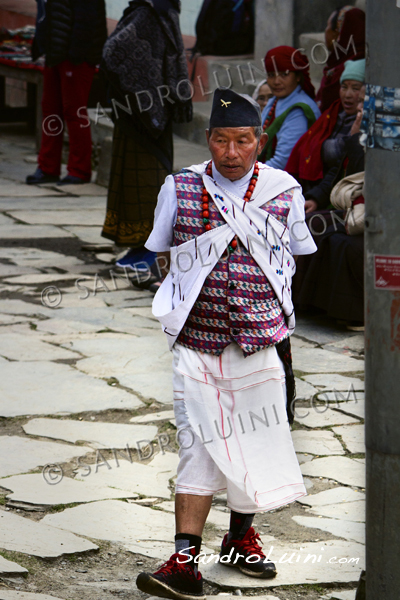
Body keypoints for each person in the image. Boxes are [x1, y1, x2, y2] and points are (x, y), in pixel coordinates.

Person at [136, 88, 317, 600]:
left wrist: (265, 310)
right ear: (208, 141)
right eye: (221, 140)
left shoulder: (282, 190)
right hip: (198, 341)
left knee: (252, 440)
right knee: (197, 443)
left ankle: (239, 540)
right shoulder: (181, 187)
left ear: (260, 142)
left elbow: (294, 257)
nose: (231, 152)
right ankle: (183, 562)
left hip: (261, 342)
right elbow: (163, 253)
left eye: (242, 140)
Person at [100, 0, 192, 272]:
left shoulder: (147, 12)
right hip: (143, 113)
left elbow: (113, 51)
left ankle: (149, 251)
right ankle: (141, 247)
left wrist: (141, 94)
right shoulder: (153, 9)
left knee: (146, 179)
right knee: (136, 178)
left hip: (144, 114)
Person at [292, 88, 366, 330]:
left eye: (367, 106)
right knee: (309, 223)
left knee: (339, 242)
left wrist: (356, 141)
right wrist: (315, 198)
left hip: (367, 216)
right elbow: (336, 175)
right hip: (350, 209)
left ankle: (354, 314)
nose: (361, 112)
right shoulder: (359, 137)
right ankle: (306, 303)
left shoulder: (384, 143)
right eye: (362, 105)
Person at [26, 0, 107, 185]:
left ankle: (79, 170)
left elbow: (87, 21)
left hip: (75, 57)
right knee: (49, 110)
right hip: (55, 53)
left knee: (74, 112)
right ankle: (47, 167)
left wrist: (76, 54)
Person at [286, 58, 365, 213]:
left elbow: (348, 169)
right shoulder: (333, 115)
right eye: (344, 87)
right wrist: (314, 199)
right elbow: (335, 170)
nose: (348, 95)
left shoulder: (367, 131)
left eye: (355, 89)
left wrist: (354, 139)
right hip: (324, 191)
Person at [259, 46, 320, 170]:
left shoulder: (300, 111)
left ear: (298, 76)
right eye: (271, 75)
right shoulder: (274, 101)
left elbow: (282, 163)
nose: (276, 81)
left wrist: (246, 176)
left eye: (284, 74)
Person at [316, 6, 365, 113]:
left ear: (339, 33)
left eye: (327, 26)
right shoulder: (335, 68)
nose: (325, 31)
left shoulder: (353, 70)